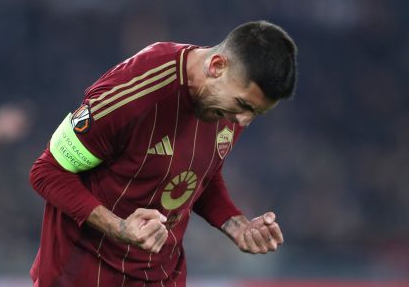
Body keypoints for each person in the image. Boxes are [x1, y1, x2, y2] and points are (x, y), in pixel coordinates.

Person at [29, 20, 297, 287]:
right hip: (82, 273)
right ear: (216, 67)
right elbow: (47, 172)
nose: (242, 121)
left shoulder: (227, 105)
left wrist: (237, 226)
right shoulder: (134, 90)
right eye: (242, 105)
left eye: (256, 113)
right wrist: (118, 228)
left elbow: (198, 173)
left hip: (159, 275)